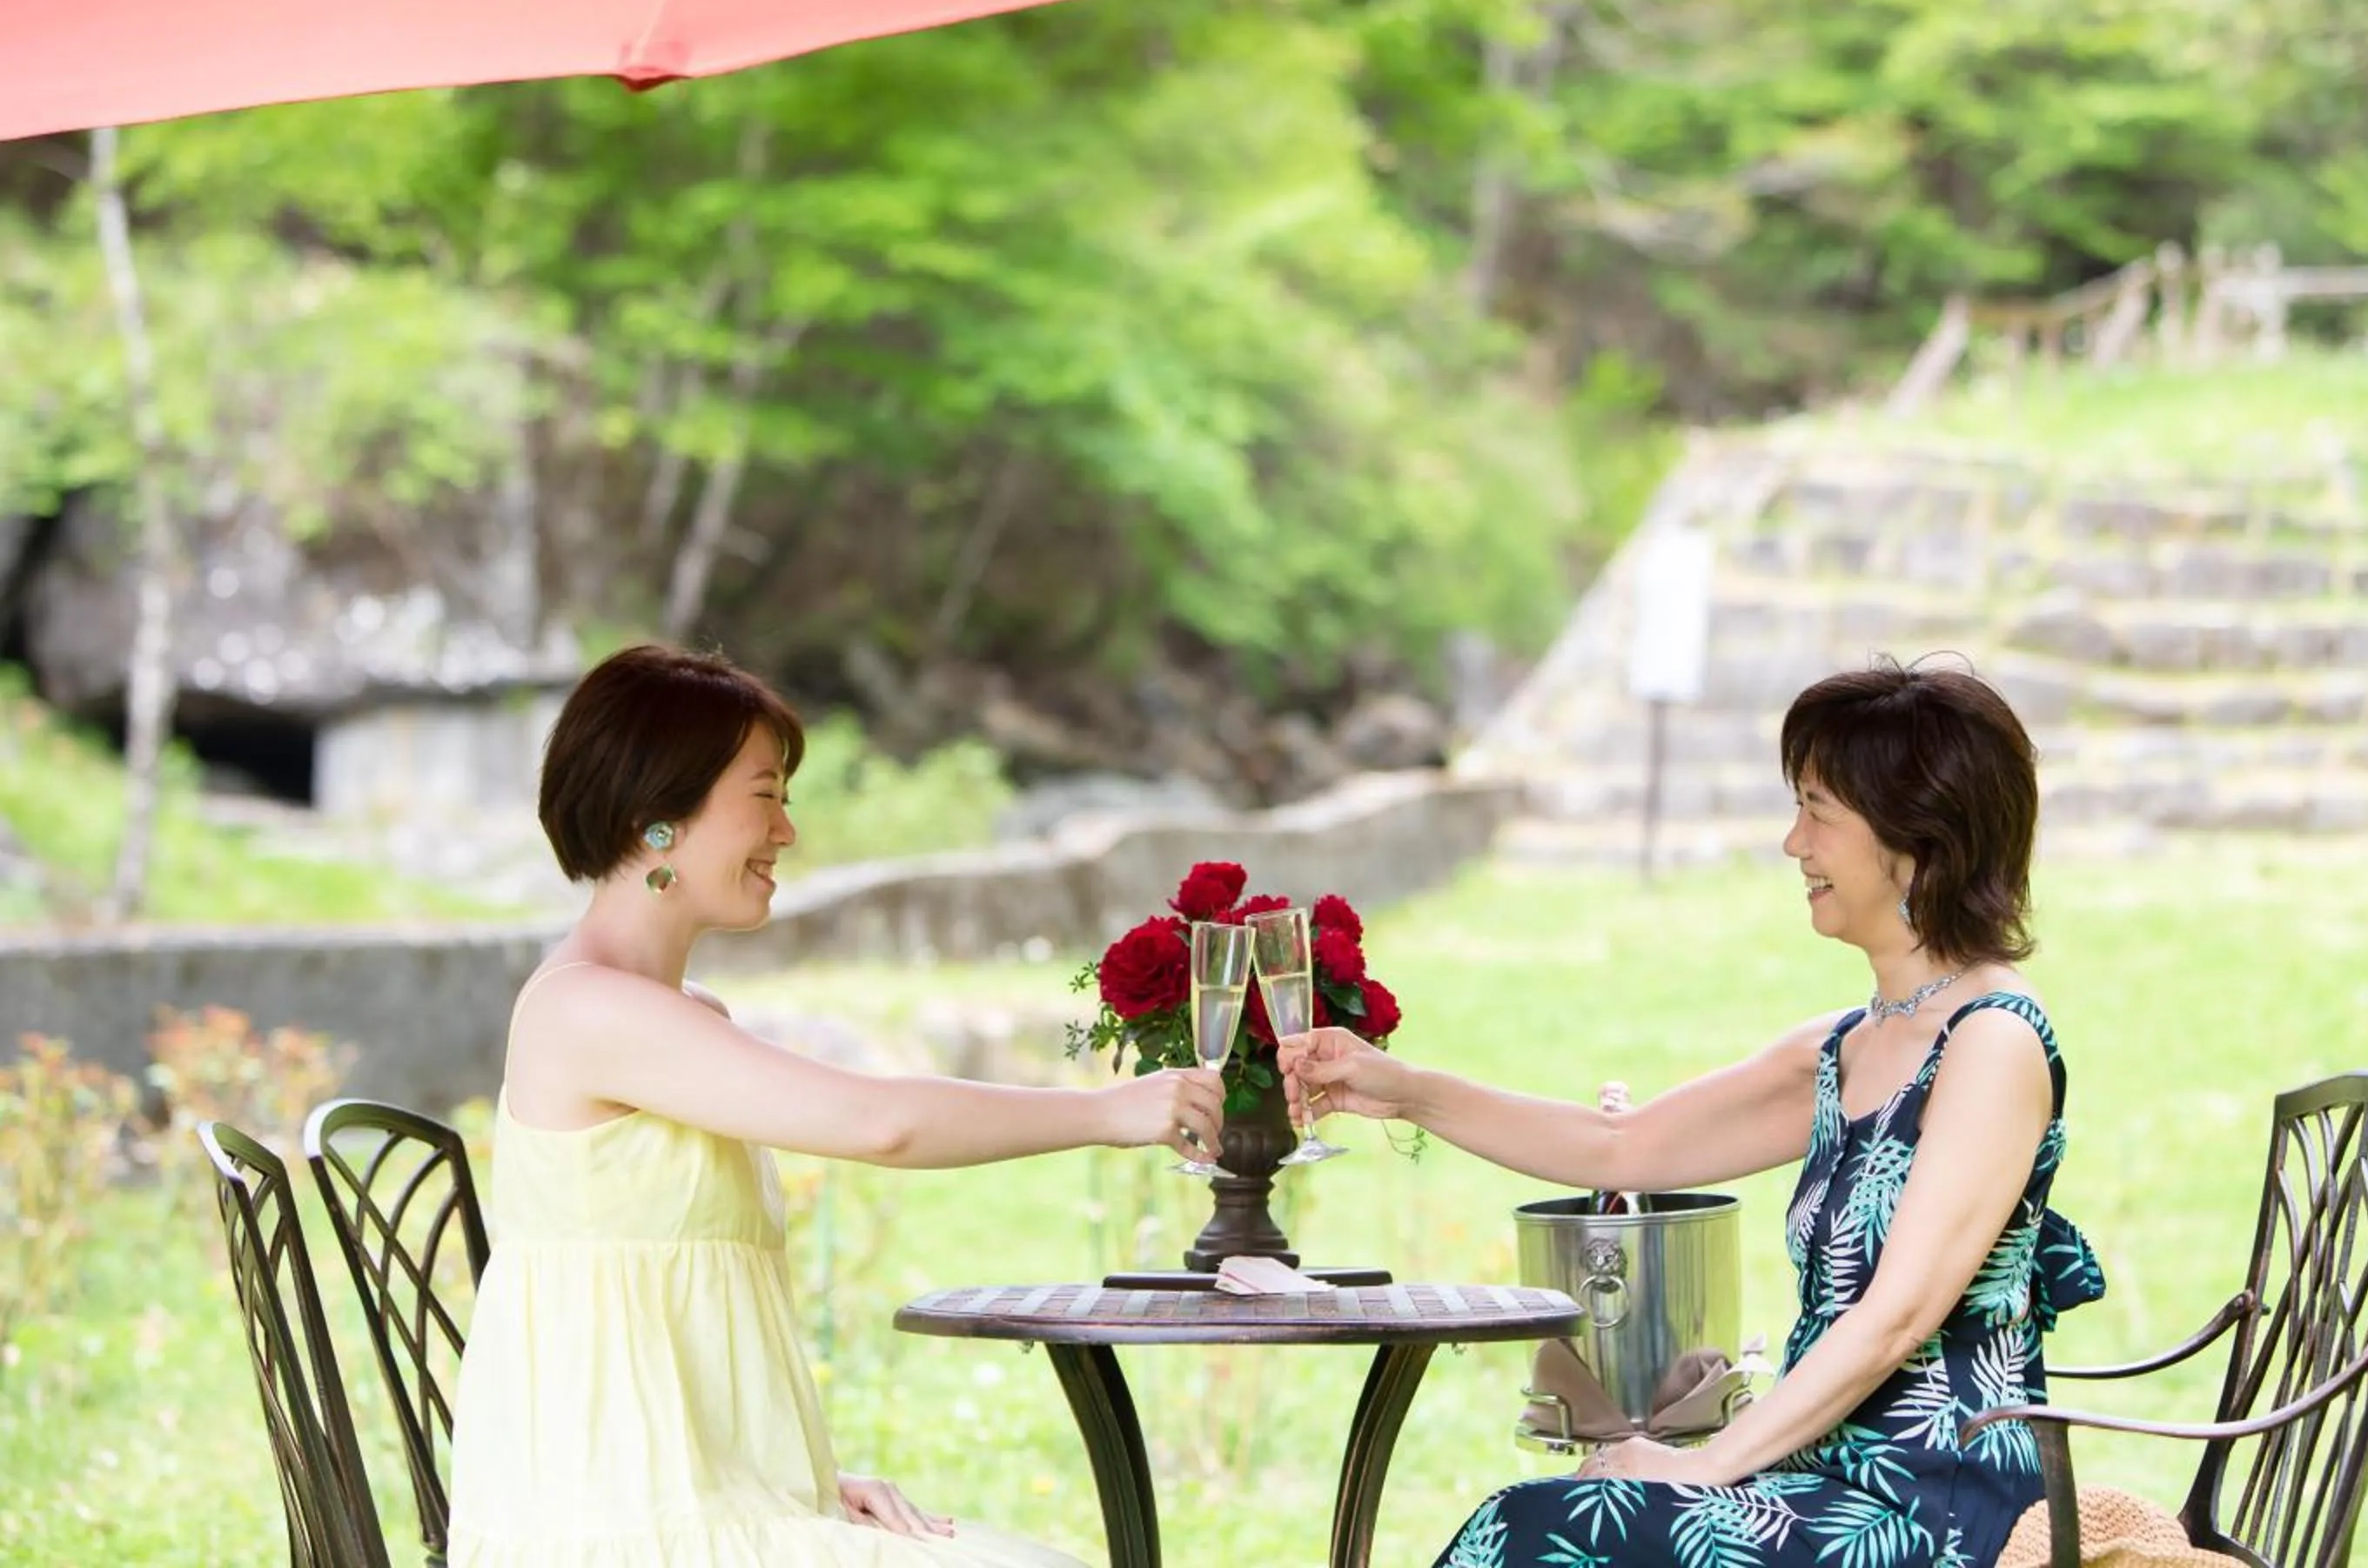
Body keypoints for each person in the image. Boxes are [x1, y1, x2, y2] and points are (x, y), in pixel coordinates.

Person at [1281, 661, 2105, 1568]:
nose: (1795, 842)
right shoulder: (1846, 1047)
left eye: (1820, 810)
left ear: (1918, 838)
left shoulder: (1992, 1041)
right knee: (1537, 1514)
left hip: (1934, 1509)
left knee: (1541, 1528)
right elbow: (1623, 1144)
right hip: (1818, 1480)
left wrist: (1704, 1465)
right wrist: (1402, 1089)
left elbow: (1897, 1317)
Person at [450, 643, 1225, 1568]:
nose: (786, 831)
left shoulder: (679, 1015)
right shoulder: (589, 1009)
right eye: (765, 793)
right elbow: (881, 1122)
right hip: (618, 1532)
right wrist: (1106, 1110)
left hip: (705, 1507)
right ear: (657, 816)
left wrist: (800, 1480)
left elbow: (681, 1323)